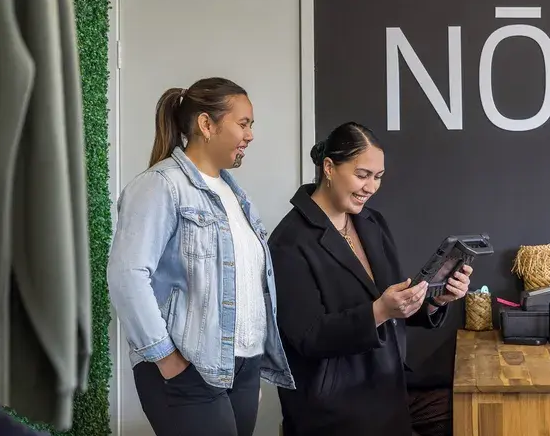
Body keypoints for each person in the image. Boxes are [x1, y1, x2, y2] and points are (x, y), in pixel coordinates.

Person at [107, 77, 294, 436]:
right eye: (243, 123)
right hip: (188, 367)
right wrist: (167, 360)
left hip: (240, 367)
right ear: (206, 124)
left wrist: (249, 367)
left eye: (251, 125)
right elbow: (126, 275)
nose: (250, 135)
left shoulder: (235, 195)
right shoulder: (160, 185)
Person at [268, 122, 472, 436]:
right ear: (329, 168)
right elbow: (307, 335)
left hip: (387, 392)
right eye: (362, 175)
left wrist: (434, 300)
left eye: (377, 177)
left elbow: (392, 305)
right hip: (332, 412)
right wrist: (380, 311)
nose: (371, 187)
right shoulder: (289, 241)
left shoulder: (372, 222)